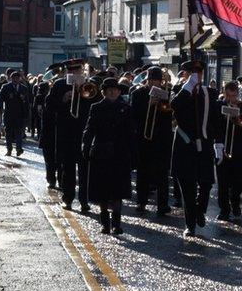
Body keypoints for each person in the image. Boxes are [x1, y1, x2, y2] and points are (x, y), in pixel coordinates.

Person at [170, 60, 218, 238]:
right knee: (188, 188)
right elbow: (174, 107)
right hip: (185, 145)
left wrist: (218, 143)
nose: (197, 75)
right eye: (192, 72)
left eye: (199, 71)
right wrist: (188, 88)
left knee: (206, 184)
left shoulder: (210, 93)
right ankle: (190, 225)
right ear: (186, 74)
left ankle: (200, 210)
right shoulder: (179, 91)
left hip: (204, 145)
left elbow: (215, 119)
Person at [82, 78, 135, 235]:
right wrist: (85, 145)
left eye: (115, 90)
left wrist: (133, 153)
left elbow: (131, 132)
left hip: (120, 153)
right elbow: (89, 129)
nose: (112, 92)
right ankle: (105, 223)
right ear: (103, 92)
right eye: (109, 90)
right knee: (102, 191)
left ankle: (117, 224)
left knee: (118, 191)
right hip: (101, 153)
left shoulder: (125, 108)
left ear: (119, 92)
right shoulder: (96, 107)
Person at [48, 59, 96, 212]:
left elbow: (94, 106)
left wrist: (84, 95)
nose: (74, 74)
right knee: (67, 168)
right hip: (66, 132)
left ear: (81, 71)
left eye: (77, 71)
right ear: (67, 72)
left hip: (83, 133)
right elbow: (49, 106)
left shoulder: (89, 85)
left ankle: (84, 201)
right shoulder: (59, 85)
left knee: (85, 170)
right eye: (71, 71)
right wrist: (63, 99)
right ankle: (67, 199)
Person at [130, 66, 174, 215]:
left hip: (162, 139)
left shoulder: (167, 93)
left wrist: (164, 106)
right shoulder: (138, 93)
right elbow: (133, 115)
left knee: (162, 173)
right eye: (151, 80)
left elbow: (170, 116)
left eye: (157, 81)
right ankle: (141, 202)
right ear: (147, 80)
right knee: (143, 172)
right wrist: (149, 105)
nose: (154, 83)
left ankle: (163, 204)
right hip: (144, 138)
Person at [215, 81, 242, 222]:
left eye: (234, 96)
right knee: (222, 182)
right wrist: (223, 119)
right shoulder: (218, 105)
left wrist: (239, 118)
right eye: (229, 96)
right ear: (224, 93)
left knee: (237, 181)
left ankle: (235, 205)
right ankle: (224, 210)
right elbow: (214, 125)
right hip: (222, 147)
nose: (232, 99)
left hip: (239, 149)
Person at [39, 64, 63, 190]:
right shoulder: (45, 92)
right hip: (49, 131)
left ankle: (60, 179)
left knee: (60, 160)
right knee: (49, 159)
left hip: (60, 132)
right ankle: (51, 179)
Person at [0, 71, 30, 156]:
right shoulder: (6, 87)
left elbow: (27, 102)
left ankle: (19, 149)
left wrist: (26, 113)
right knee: (8, 132)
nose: (16, 80)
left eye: (18, 78)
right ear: (11, 78)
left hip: (19, 114)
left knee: (18, 132)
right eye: (14, 78)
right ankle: (9, 149)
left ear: (20, 79)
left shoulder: (24, 88)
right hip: (8, 113)